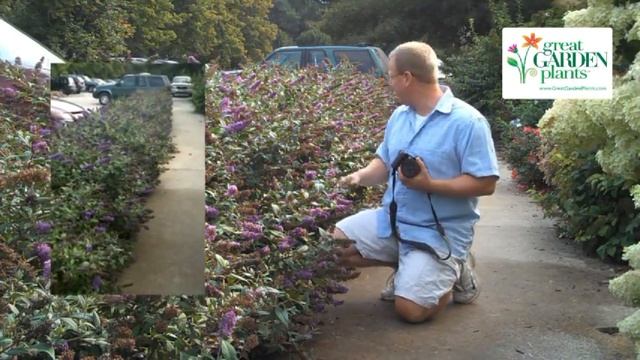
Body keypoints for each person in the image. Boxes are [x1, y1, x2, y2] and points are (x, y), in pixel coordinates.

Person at [334, 41, 500, 323]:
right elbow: (384, 163)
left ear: (407, 77)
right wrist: (359, 176)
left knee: (409, 311)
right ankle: (410, 270)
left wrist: (430, 185)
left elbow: (485, 183)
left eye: (391, 76)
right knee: (337, 246)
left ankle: (455, 269)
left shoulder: (469, 122)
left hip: (439, 232)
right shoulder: (400, 116)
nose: (389, 83)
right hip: (394, 221)